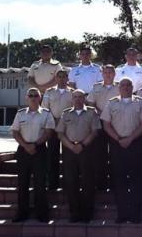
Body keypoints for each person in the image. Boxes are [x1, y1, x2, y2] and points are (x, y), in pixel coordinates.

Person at [101, 77, 142, 223]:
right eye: (123, 85)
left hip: (136, 144)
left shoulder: (140, 102)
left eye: (128, 85)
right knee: (119, 181)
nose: (126, 87)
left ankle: (135, 215)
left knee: (137, 180)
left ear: (132, 87)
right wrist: (118, 139)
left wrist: (130, 138)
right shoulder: (111, 103)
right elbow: (106, 125)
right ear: (119, 87)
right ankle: (122, 214)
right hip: (117, 145)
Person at [10, 88, 56, 222]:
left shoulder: (46, 114)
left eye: (36, 95)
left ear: (40, 98)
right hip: (23, 150)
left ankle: (41, 213)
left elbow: (49, 132)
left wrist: (35, 145)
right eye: (30, 95)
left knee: (40, 183)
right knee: (22, 183)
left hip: (39, 150)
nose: (33, 98)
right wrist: (26, 146)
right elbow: (15, 132)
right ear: (27, 98)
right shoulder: (20, 114)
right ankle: (22, 213)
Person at [56, 89, 100, 223]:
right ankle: (74, 213)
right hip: (69, 150)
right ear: (72, 99)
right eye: (75, 97)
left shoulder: (92, 113)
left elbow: (94, 132)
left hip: (86, 150)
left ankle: (87, 213)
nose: (77, 99)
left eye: (80, 97)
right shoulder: (65, 113)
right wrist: (71, 146)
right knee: (71, 182)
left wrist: (82, 145)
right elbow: (60, 133)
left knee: (88, 182)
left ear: (84, 98)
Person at [40, 69, 75, 191]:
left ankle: (67, 183)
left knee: (68, 156)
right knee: (52, 155)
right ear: (56, 78)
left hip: (68, 128)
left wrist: (64, 122)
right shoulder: (49, 92)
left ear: (67, 78)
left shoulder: (72, 92)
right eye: (59, 76)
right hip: (53, 127)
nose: (61, 79)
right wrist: (52, 121)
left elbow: (75, 109)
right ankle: (52, 183)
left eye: (64, 76)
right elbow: (45, 109)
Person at [87, 64, 120, 190]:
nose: (108, 75)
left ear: (114, 74)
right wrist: (102, 114)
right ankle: (101, 184)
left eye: (110, 72)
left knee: (115, 154)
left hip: (115, 123)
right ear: (102, 74)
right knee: (100, 154)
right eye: (105, 72)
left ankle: (115, 183)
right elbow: (90, 103)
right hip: (100, 122)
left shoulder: (120, 87)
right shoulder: (96, 87)